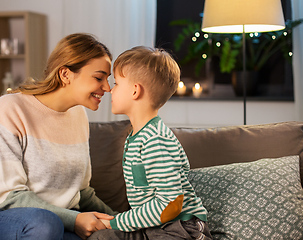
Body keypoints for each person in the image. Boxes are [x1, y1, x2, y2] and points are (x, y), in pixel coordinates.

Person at [0, 33, 117, 240]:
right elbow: (7, 195)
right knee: (46, 224)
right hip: (3, 218)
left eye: (107, 79)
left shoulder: (78, 115)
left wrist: (123, 221)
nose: (107, 88)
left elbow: (81, 192)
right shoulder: (11, 108)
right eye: (98, 77)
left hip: (59, 221)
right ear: (65, 74)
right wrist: (74, 220)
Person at [89, 46, 212, 239]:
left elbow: (170, 205)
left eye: (117, 83)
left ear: (135, 91)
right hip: (154, 225)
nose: (110, 89)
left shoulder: (155, 140)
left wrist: (116, 222)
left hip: (178, 226)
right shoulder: (137, 136)